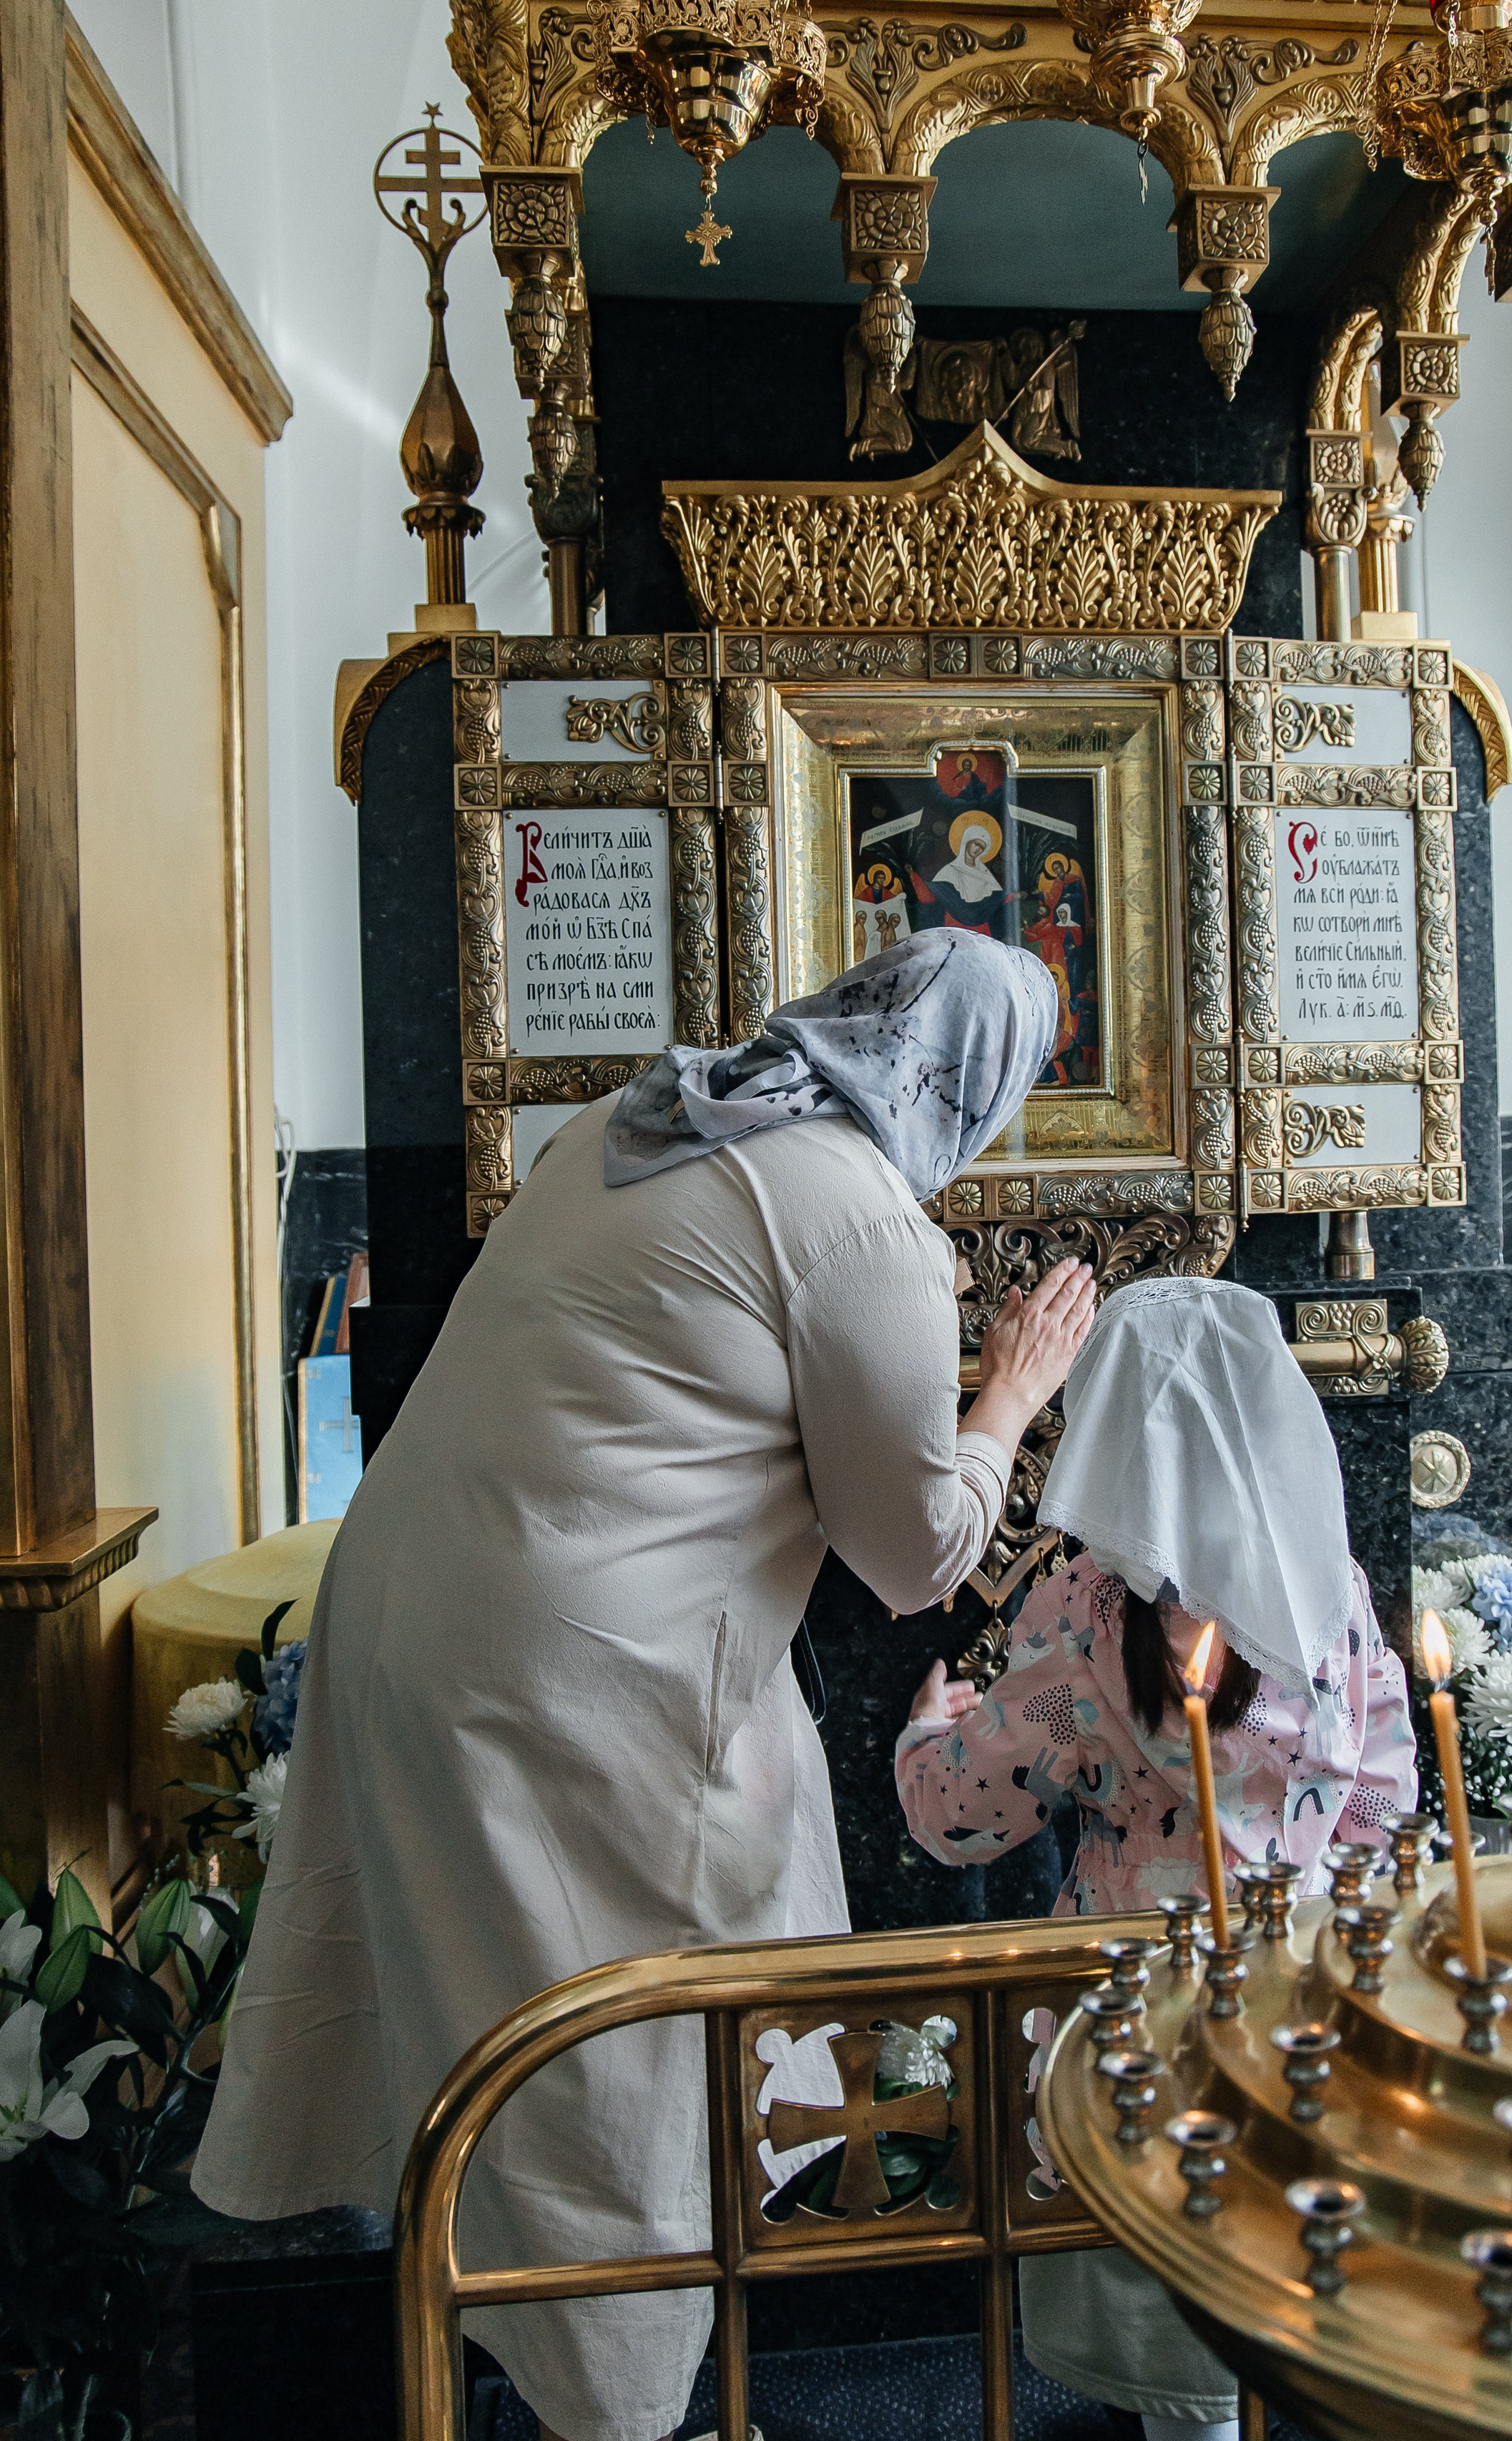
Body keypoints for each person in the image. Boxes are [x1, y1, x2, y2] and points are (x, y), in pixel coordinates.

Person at [193, 930, 1095, 2441]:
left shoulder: (648, 1117)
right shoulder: (858, 1216)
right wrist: (1010, 1389)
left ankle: (520, 2381)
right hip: (566, 1684)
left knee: (479, 2039)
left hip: (415, 1619)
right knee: (611, 2071)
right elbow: (912, 1551)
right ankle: (610, 2411)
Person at [895, 1276, 1418, 2441]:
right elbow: (1388, 1795)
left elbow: (961, 1812)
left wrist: (929, 1730)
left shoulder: (1085, 1612)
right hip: (1306, 2002)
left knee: (1181, 2321)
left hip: (1137, 2015)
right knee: (1295, 2276)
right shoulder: (1328, 1591)